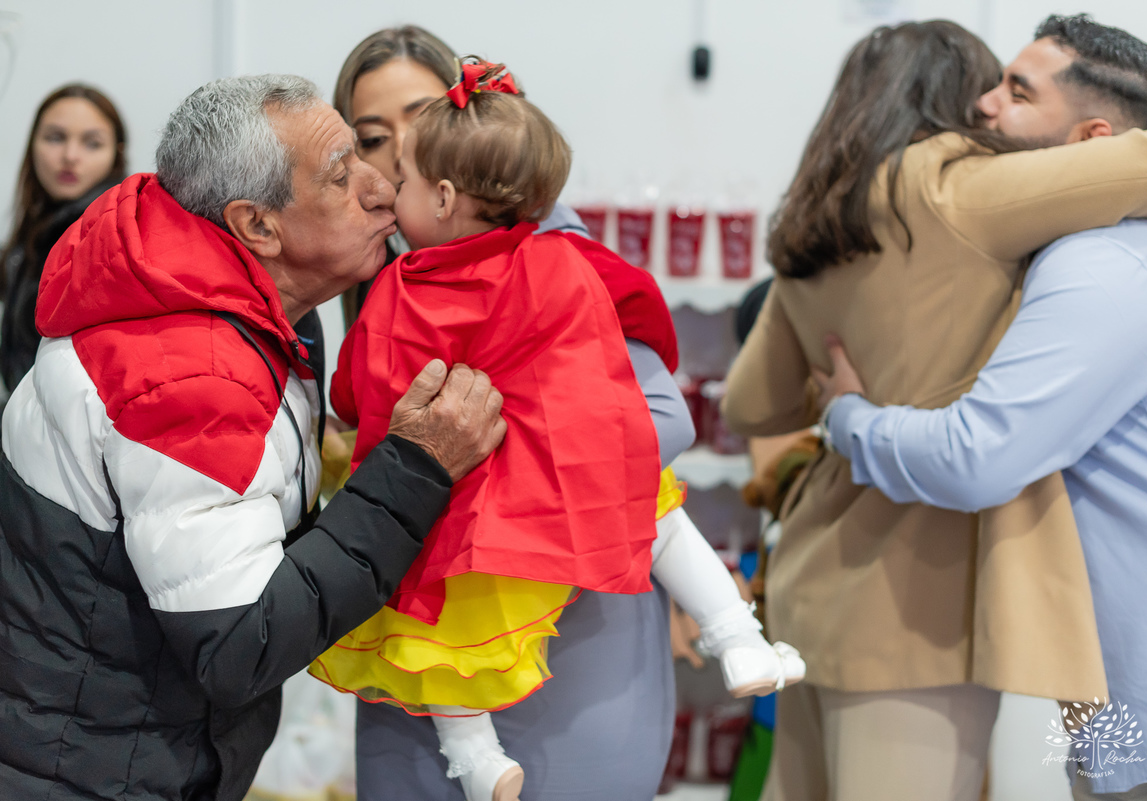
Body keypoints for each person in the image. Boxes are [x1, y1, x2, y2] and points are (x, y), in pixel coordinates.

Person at [721, 18, 1147, 801]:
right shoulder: (959, 197)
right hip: (926, 603)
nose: (984, 107)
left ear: (1097, 140)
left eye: (1016, 90)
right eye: (988, 84)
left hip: (820, 579)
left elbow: (752, 403)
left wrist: (844, 407)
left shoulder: (835, 220)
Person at [0, 74, 505, 801]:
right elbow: (239, 642)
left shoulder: (248, 306)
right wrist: (415, 470)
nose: (383, 189)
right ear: (257, 226)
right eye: (343, 173)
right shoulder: (185, 371)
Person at [311, 60, 804, 801]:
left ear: (444, 195)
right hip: (574, 492)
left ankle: (475, 756)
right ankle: (736, 633)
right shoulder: (565, 262)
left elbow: (358, 393)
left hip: (466, 523)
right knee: (661, 515)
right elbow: (626, 354)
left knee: (432, 630)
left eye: (402, 165)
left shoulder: (403, 290)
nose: (385, 181)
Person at [0, 84, 127, 397]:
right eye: (55, 138)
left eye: (92, 143)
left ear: (115, 155)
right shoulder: (36, 228)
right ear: (33, 145)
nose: (70, 156)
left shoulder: (112, 239)